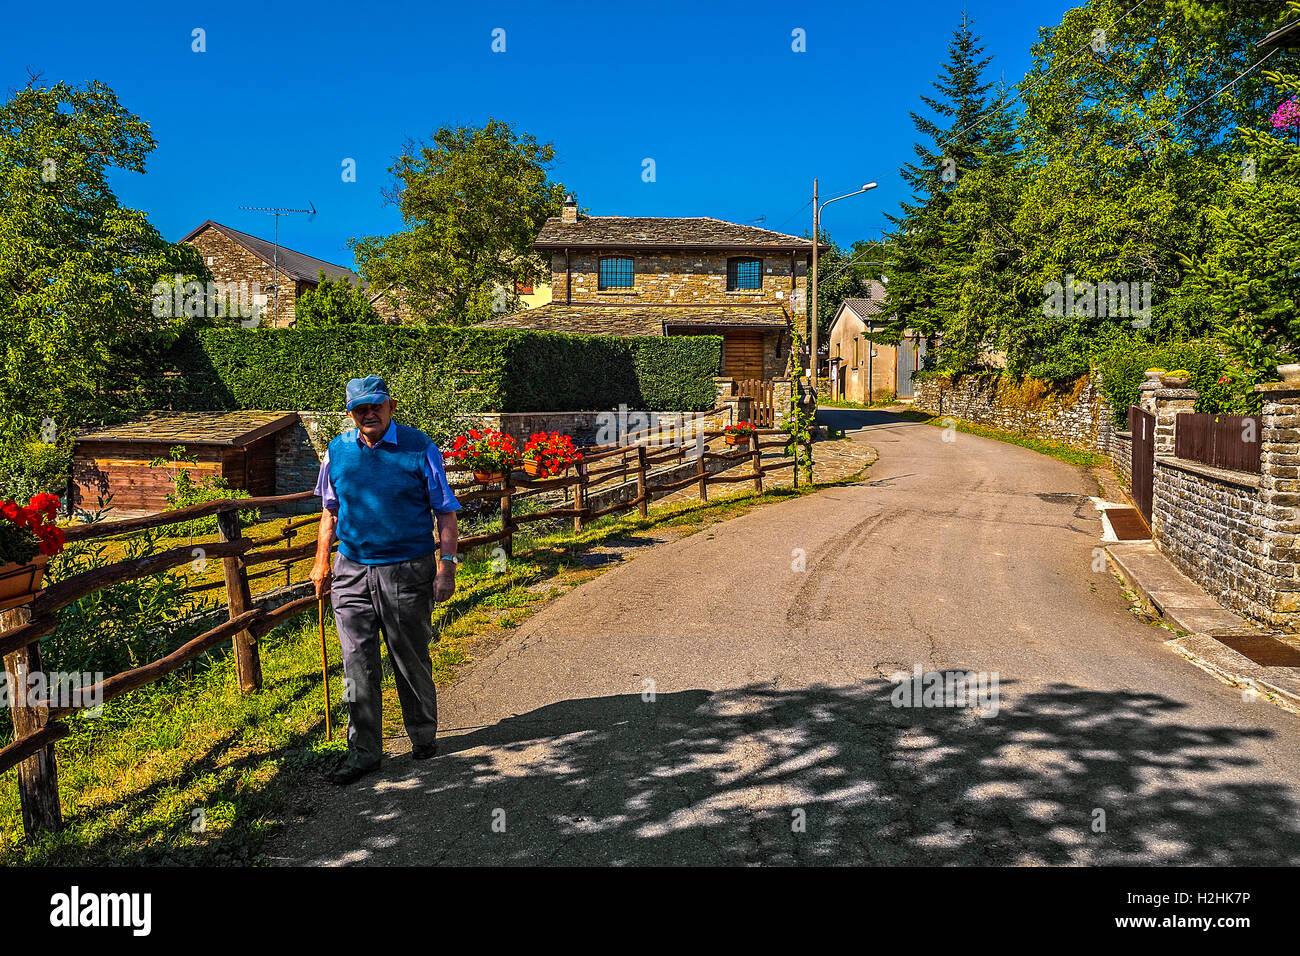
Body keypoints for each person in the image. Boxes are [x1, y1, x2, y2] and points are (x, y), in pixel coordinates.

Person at [309, 374, 461, 785]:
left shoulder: (418, 446)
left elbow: (444, 510)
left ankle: (423, 737)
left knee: (408, 657)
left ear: (390, 406)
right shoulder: (336, 452)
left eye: (376, 405)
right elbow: (330, 510)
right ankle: (364, 753)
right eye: (361, 408)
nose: (369, 413)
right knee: (357, 664)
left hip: (408, 569)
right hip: (351, 570)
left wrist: (446, 565)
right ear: (350, 413)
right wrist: (321, 561)